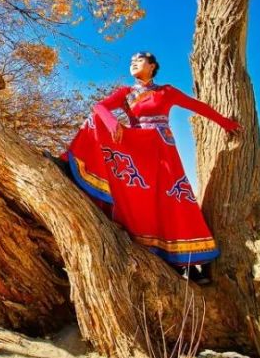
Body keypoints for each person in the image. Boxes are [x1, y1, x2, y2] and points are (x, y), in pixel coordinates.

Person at [60, 52, 239, 284]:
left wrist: (227, 124)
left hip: (162, 148)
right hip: (138, 149)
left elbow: (198, 107)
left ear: (153, 66)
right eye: (131, 60)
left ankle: (193, 261)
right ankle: (75, 166)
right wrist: (113, 122)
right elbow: (99, 107)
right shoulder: (127, 92)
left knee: (175, 200)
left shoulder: (166, 91)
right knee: (95, 124)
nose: (133, 62)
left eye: (140, 59)